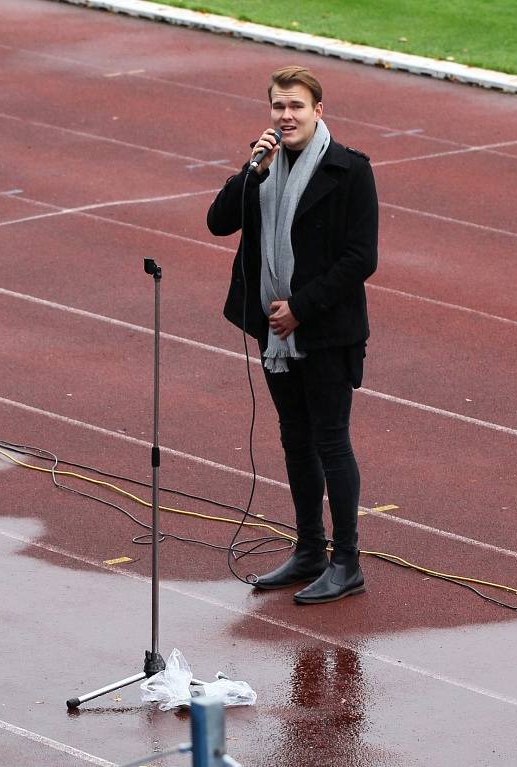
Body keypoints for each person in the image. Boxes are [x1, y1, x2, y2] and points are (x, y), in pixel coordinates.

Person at [207, 65, 378, 604]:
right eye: (278, 106)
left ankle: (345, 561)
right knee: (294, 439)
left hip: (324, 331)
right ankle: (309, 549)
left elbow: (360, 259)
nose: (286, 116)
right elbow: (217, 222)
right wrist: (249, 173)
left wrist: (300, 309)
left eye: (296, 106)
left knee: (330, 440)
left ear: (317, 111)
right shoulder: (262, 169)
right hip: (273, 332)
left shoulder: (349, 170)